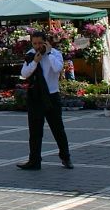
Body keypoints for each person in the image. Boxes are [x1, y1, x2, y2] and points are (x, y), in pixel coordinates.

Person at [17, 30, 71, 170]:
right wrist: (35, 62)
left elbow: (57, 68)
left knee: (58, 129)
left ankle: (66, 157)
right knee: (35, 132)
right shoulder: (30, 55)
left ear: (46, 42)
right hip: (35, 96)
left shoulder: (55, 54)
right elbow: (24, 74)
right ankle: (34, 161)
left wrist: (48, 53)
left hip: (52, 96)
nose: (37, 46)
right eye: (34, 43)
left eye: (40, 43)